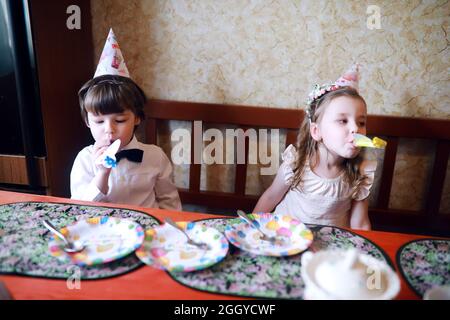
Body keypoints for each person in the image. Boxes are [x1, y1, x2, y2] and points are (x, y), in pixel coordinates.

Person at [253, 64, 376, 230]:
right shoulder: (295, 165)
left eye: (361, 122)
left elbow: (360, 223)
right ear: (317, 131)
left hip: (330, 244)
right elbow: (271, 197)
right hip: (286, 236)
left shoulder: (360, 173)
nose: (356, 129)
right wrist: (250, 227)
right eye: (343, 121)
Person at [70, 29, 181, 210]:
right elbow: (79, 208)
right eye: (99, 122)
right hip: (101, 232)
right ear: (87, 122)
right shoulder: (84, 160)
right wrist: (102, 174)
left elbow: (169, 202)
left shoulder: (155, 156)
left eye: (120, 120)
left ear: (137, 118)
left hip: (148, 231)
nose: (109, 129)